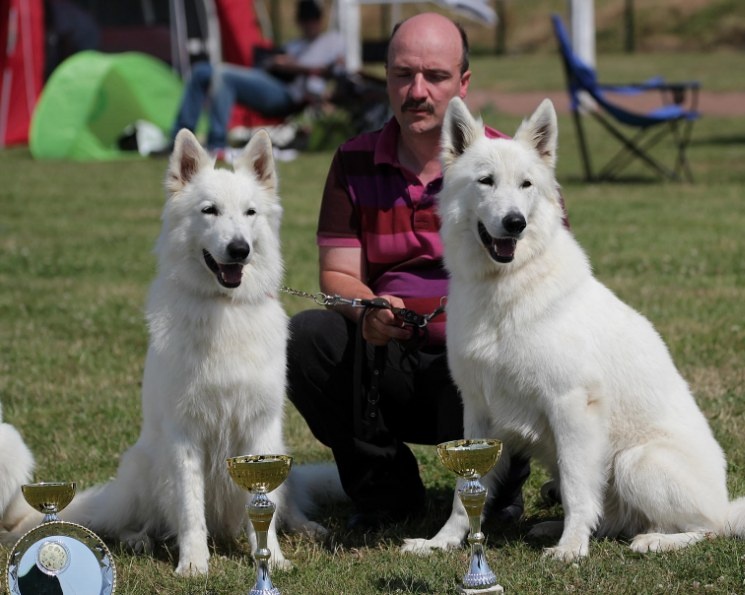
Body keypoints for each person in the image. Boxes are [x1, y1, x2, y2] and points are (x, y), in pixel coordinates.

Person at [287, 13, 564, 531]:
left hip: (481, 363)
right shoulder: (353, 161)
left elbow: (550, 282)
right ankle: (387, 494)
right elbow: (337, 274)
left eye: (435, 76)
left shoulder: (517, 165)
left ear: (463, 84)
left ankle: (495, 495)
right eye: (402, 74)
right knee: (307, 337)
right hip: (387, 357)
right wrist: (367, 306)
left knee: (507, 357)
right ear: (386, 77)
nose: (417, 91)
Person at [167, 0, 344, 156]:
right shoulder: (295, 44)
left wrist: (289, 65)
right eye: (305, 19)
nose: (309, 24)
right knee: (201, 71)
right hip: (270, 79)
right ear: (299, 21)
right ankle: (179, 140)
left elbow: (331, 69)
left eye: (313, 18)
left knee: (223, 75)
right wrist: (276, 62)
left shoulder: (332, 41)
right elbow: (273, 63)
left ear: (320, 19)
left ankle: (217, 143)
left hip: (287, 94)